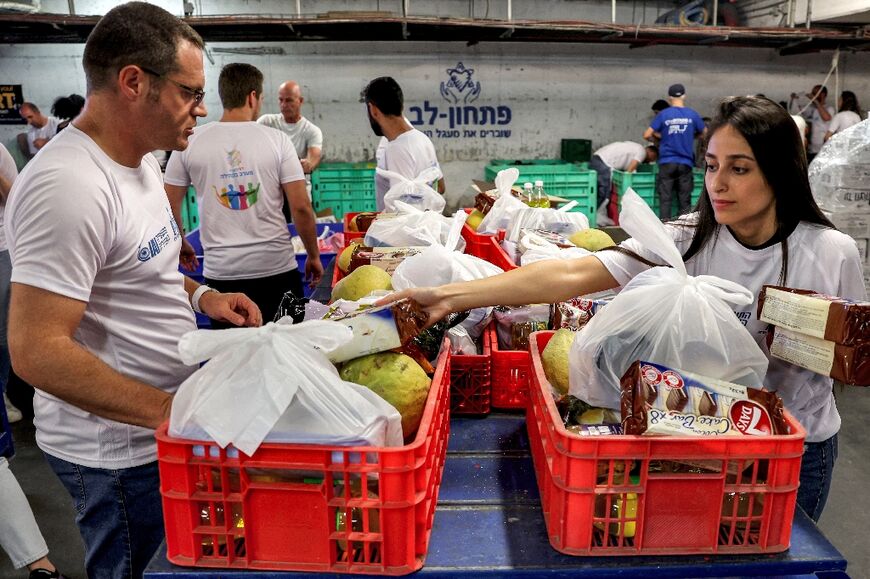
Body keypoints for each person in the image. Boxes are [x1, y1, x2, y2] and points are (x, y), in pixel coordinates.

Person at [383, 96, 864, 523]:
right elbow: (572, 274)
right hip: (703, 438)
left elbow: (852, 352)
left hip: (795, 449)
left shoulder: (830, 251)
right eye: (713, 166)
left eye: (740, 168)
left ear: (779, 172)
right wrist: (448, 297)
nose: (719, 183)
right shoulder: (688, 239)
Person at [5, 3, 262, 578]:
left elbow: (142, 270)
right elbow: (36, 349)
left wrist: (202, 298)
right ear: (132, 82)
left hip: (160, 437)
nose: (200, 110)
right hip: (117, 457)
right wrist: (172, 411)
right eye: (190, 93)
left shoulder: (140, 162)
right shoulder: (68, 186)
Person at [165, 63, 322, 327]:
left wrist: (181, 242)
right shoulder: (278, 140)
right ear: (252, 97)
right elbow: (302, 208)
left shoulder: (190, 141)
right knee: (291, 356)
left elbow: (168, 204)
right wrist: (313, 256)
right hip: (277, 270)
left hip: (222, 279)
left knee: (234, 360)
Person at [363, 76, 445, 211]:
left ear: (373, 110)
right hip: (427, 226)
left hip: (404, 230)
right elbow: (440, 187)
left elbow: (402, 210)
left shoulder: (396, 149)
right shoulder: (423, 139)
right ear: (402, 105)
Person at [643, 83, 705, 219]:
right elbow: (706, 133)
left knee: (665, 199)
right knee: (684, 200)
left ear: (669, 97)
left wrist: (661, 138)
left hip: (667, 162)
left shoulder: (664, 114)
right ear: (684, 96)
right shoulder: (692, 114)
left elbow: (647, 135)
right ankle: (685, 231)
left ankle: (665, 230)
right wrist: (691, 136)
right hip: (685, 163)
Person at [589, 141, 657, 226]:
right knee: (604, 191)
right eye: (653, 157)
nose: (651, 161)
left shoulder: (635, 147)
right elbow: (629, 171)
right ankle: (598, 218)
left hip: (598, 157)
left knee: (600, 190)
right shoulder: (642, 151)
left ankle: (599, 216)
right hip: (603, 162)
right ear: (650, 151)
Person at [790, 85, 834, 162]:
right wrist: (795, 100)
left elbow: (826, 118)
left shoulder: (829, 108)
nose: (812, 95)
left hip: (823, 148)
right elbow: (800, 112)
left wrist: (815, 101)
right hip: (812, 149)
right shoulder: (813, 108)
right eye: (812, 93)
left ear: (823, 94)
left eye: (815, 93)